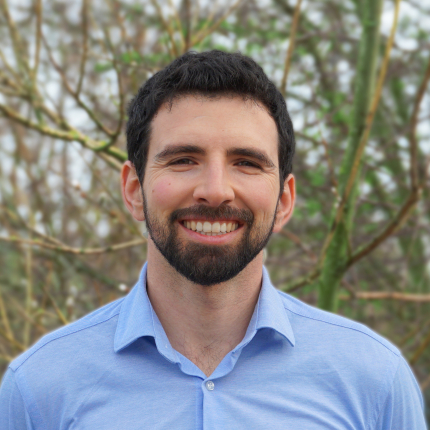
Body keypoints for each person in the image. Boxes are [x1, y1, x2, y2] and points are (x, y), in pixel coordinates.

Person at [0, 50, 426, 429]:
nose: (216, 190)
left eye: (247, 163)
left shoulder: (374, 381)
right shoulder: (39, 388)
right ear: (133, 190)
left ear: (284, 200)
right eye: (184, 160)